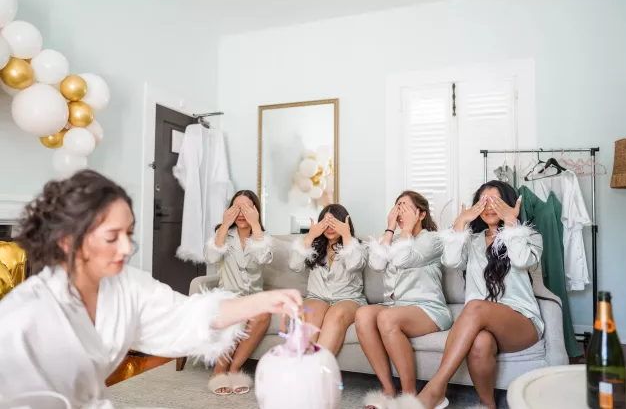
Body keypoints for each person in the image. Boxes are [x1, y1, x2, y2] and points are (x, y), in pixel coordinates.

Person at [0, 170, 302, 409]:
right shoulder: (22, 318)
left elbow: (188, 314)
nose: (127, 248)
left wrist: (264, 300)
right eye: (112, 237)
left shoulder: (128, 285)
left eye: (129, 233)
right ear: (68, 240)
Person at [417, 180, 543, 409]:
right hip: (481, 325)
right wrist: (460, 223)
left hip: (521, 323)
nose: (489, 207)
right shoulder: (472, 242)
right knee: (480, 342)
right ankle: (487, 404)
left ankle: (435, 389)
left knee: (475, 305)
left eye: (496, 201)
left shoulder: (529, 236)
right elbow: (451, 261)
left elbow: (522, 260)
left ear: (509, 204)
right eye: (484, 202)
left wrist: (511, 224)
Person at [357, 191, 452, 409]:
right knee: (362, 314)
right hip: (396, 306)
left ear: (421, 214)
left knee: (387, 318)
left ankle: (409, 397)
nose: (400, 212)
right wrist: (390, 230)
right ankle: (388, 390)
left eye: (405, 207)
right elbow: (377, 265)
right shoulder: (396, 238)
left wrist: (406, 231)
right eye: (397, 207)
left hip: (428, 308)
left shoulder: (432, 240)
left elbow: (403, 259)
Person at [204, 189, 273, 395]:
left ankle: (234, 370)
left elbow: (264, 258)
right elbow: (211, 258)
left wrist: (256, 225)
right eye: (237, 208)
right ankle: (219, 371)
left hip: (253, 297)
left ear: (255, 211)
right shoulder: (223, 234)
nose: (241, 213)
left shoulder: (262, 236)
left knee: (263, 313)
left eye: (247, 208)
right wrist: (225, 225)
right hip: (228, 296)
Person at [289, 204, 367, 355]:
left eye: (334, 223)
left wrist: (346, 236)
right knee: (309, 312)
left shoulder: (358, 246)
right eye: (326, 223)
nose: (330, 228)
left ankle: (318, 365)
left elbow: (354, 264)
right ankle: (302, 364)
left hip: (349, 299)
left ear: (344, 224)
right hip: (317, 297)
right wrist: (310, 236)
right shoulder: (313, 246)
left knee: (336, 313)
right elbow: (294, 265)